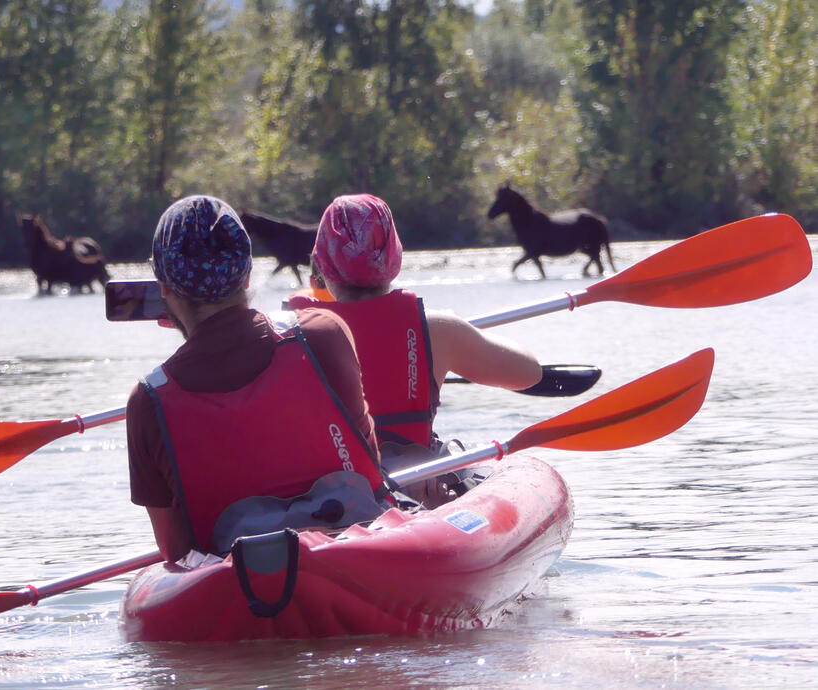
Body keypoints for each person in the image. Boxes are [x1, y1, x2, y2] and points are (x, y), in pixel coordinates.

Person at [125, 195, 391, 563]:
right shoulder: (323, 333)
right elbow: (370, 472)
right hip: (358, 559)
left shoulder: (147, 400)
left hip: (249, 594)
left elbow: (176, 552)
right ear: (248, 274)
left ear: (164, 288)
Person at [286, 194, 542, 494]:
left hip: (327, 495)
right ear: (395, 255)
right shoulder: (437, 328)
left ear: (321, 263)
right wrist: (460, 328)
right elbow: (530, 373)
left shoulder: (287, 333)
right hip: (412, 489)